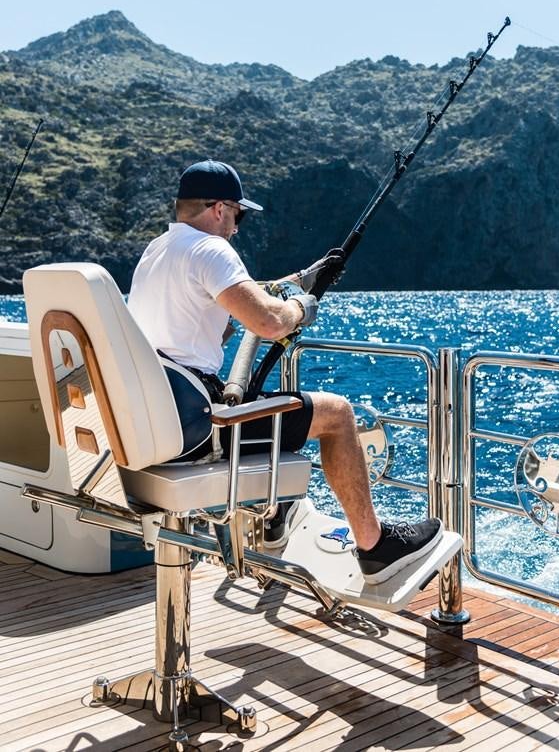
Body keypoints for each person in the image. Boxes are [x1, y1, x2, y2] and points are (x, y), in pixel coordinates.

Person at [128, 160, 443, 585]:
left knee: (276, 406)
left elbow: (230, 299)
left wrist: (300, 278)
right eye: (237, 216)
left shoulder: (157, 251)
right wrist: (301, 308)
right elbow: (271, 324)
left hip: (158, 422)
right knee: (336, 414)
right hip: (201, 429)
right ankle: (375, 546)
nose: (236, 228)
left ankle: (275, 515)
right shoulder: (211, 249)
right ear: (219, 208)